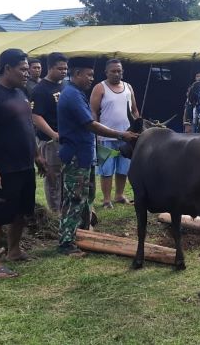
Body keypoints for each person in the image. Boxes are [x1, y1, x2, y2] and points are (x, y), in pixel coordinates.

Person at [0, 48, 47, 278]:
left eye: (28, 69)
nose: (27, 73)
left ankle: (14, 251)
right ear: (7, 68)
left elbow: (27, 126)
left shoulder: (21, 92)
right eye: (23, 69)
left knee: (21, 213)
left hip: (24, 166)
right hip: (4, 169)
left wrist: (36, 156)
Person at [57, 57, 138, 256]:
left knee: (85, 198)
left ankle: (83, 235)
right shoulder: (72, 95)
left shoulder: (77, 93)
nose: (91, 79)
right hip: (75, 155)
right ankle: (66, 243)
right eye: (88, 75)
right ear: (76, 74)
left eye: (92, 75)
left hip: (84, 154)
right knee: (74, 199)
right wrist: (121, 134)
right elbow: (91, 124)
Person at [90, 59, 140, 208]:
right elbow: (93, 111)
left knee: (123, 168)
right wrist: (97, 132)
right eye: (113, 71)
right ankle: (106, 199)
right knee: (106, 169)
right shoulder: (100, 88)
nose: (117, 74)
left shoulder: (128, 87)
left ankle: (119, 195)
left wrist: (138, 126)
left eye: (119, 71)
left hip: (127, 136)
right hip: (106, 136)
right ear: (106, 72)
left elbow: (134, 110)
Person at [31, 52, 69, 213]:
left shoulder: (65, 85)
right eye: (60, 68)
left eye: (66, 68)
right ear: (50, 68)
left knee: (67, 176)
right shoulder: (40, 89)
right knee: (53, 177)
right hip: (50, 141)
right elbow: (35, 116)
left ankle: (66, 209)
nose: (64, 71)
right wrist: (53, 134)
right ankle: (55, 212)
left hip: (67, 139)